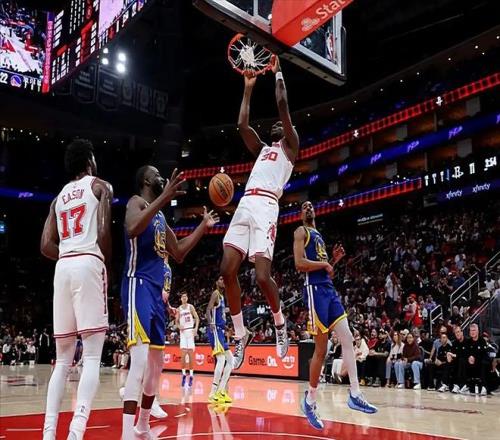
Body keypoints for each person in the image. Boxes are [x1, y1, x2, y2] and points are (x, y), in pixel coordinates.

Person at [121, 165, 219, 440]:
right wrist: (164, 197)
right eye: (156, 173)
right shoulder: (136, 202)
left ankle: (142, 426)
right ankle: (126, 434)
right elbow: (132, 228)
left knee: (156, 365)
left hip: (156, 294)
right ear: (146, 179)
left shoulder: (160, 217)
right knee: (140, 361)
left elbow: (179, 252)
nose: (160, 176)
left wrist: (202, 227)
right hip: (138, 285)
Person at [220, 56, 299, 369]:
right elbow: (242, 126)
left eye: (283, 125)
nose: (278, 125)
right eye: (276, 126)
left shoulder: (290, 146)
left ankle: (280, 324)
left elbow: (282, 104)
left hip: (266, 205)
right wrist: (249, 87)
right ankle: (241, 334)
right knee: (227, 270)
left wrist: (278, 72)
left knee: (262, 276)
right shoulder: (264, 149)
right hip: (245, 204)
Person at [40, 139, 113, 440]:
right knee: (92, 355)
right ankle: (76, 430)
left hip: (63, 267)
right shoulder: (100, 186)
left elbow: (45, 245)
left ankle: (48, 432)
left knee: (62, 360)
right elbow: (104, 231)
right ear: (89, 161)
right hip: (88, 262)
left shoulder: (57, 199)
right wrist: (101, 261)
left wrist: (68, 252)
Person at [293, 201, 377, 430]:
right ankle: (310, 400)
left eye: (311, 205)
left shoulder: (318, 235)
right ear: (300, 214)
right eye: (304, 206)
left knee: (348, 338)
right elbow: (299, 264)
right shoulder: (300, 231)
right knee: (321, 350)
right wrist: (325, 263)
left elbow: (324, 270)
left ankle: (355, 394)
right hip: (314, 292)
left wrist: (332, 262)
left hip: (328, 290)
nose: (308, 207)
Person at [206, 276, 233, 404]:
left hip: (220, 330)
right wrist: (211, 323)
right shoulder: (216, 293)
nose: (223, 281)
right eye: (221, 279)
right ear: (216, 282)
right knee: (221, 359)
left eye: (224, 279)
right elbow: (208, 309)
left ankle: (221, 391)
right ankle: (212, 393)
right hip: (215, 330)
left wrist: (227, 328)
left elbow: (220, 317)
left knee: (231, 360)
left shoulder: (222, 297)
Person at [176, 292, 200, 387]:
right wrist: (179, 326)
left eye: (185, 296)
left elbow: (197, 318)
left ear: (187, 298)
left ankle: (191, 376)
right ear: (181, 299)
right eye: (183, 297)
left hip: (190, 331)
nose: (184, 298)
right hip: (183, 332)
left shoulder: (191, 307)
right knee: (183, 354)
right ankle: (183, 375)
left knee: (190, 354)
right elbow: (176, 321)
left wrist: (196, 328)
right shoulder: (179, 309)